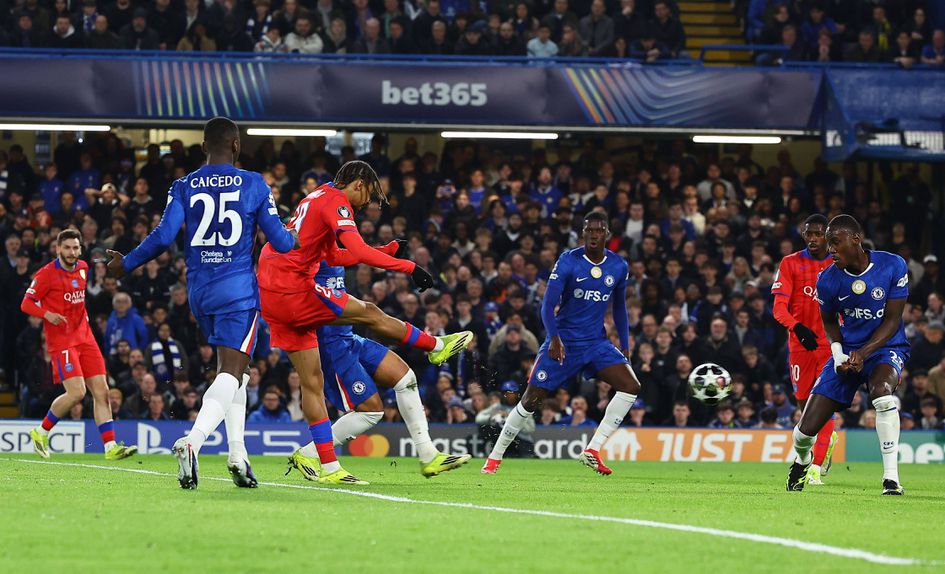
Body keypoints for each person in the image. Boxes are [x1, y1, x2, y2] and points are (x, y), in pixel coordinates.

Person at [106, 117, 299, 490]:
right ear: (237, 146)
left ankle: (237, 455)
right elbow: (280, 239)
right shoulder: (254, 183)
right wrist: (297, 237)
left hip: (198, 292)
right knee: (231, 371)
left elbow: (163, 238)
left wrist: (126, 263)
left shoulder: (184, 184)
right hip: (237, 291)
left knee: (236, 373)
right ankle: (193, 442)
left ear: (203, 148)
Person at [256, 160, 472, 485]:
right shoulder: (336, 204)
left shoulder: (316, 201)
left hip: (282, 289)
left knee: (396, 377)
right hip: (296, 294)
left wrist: (384, 250)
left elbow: (336, 255)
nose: (368, 204)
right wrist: (408, 267)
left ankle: (424, 455)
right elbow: (355, 249)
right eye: (369, 194)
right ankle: (436, 346)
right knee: (370, 316)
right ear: (358, 183)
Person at [482, 212, 640, 475]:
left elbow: (620, 308)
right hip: (564, 343)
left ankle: (593, 450)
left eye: (599, 231)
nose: (593, 235)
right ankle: (494, 458)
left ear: (607, 235)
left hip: (596, 343)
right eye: (589, 230)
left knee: (630, 386)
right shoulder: (568, 261)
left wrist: (624, 344)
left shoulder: (619, 266)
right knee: (531, 400)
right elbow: (547, 306)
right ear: (583, 233)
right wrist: (554, 338)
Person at [286, 260, 471, 480]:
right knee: (371, 411)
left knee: (406, 378)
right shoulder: (306, 248)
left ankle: (428, 454)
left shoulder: (330, 245)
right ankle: (310, 453)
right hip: (330, 347)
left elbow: (354, 252)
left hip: (349, 337)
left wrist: (389, 252)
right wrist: (406, 266)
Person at [787, 215, 909, 496]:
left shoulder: (892, 265)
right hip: (847, 354)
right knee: (803, 432)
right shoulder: (828, 279)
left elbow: (892, 321)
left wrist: (863, 353)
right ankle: (802, 460)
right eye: (828, 243)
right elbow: (829, 321)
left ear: (856, 239)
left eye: (834, 242)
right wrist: (839, 353)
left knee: (882, 394)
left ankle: (891, 478)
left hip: (885, 349)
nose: (829, 249)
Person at [21, 229, 137, 461]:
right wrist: (47, 314)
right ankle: (40, 432)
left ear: (80, 249)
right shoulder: (46, 275)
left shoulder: (84, 268)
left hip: (85, 338)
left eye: (75, 248)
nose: (72, 252)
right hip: (62, 341)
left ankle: (110, 447)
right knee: (76, 393)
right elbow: (26, 303)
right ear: (57, 249)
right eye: (67, 248)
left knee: (102, 392)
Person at [771, 214, 837, 486]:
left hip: (832, 344)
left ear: (828, 236)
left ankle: (815, 466)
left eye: (818, 234)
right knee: (803, 403)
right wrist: (797, 328)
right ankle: (818, 444)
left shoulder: (838, 263)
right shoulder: (790, 263)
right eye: (808, 234)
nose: (812, 239)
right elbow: (778, 309)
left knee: (826, 399)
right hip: (800, 344)